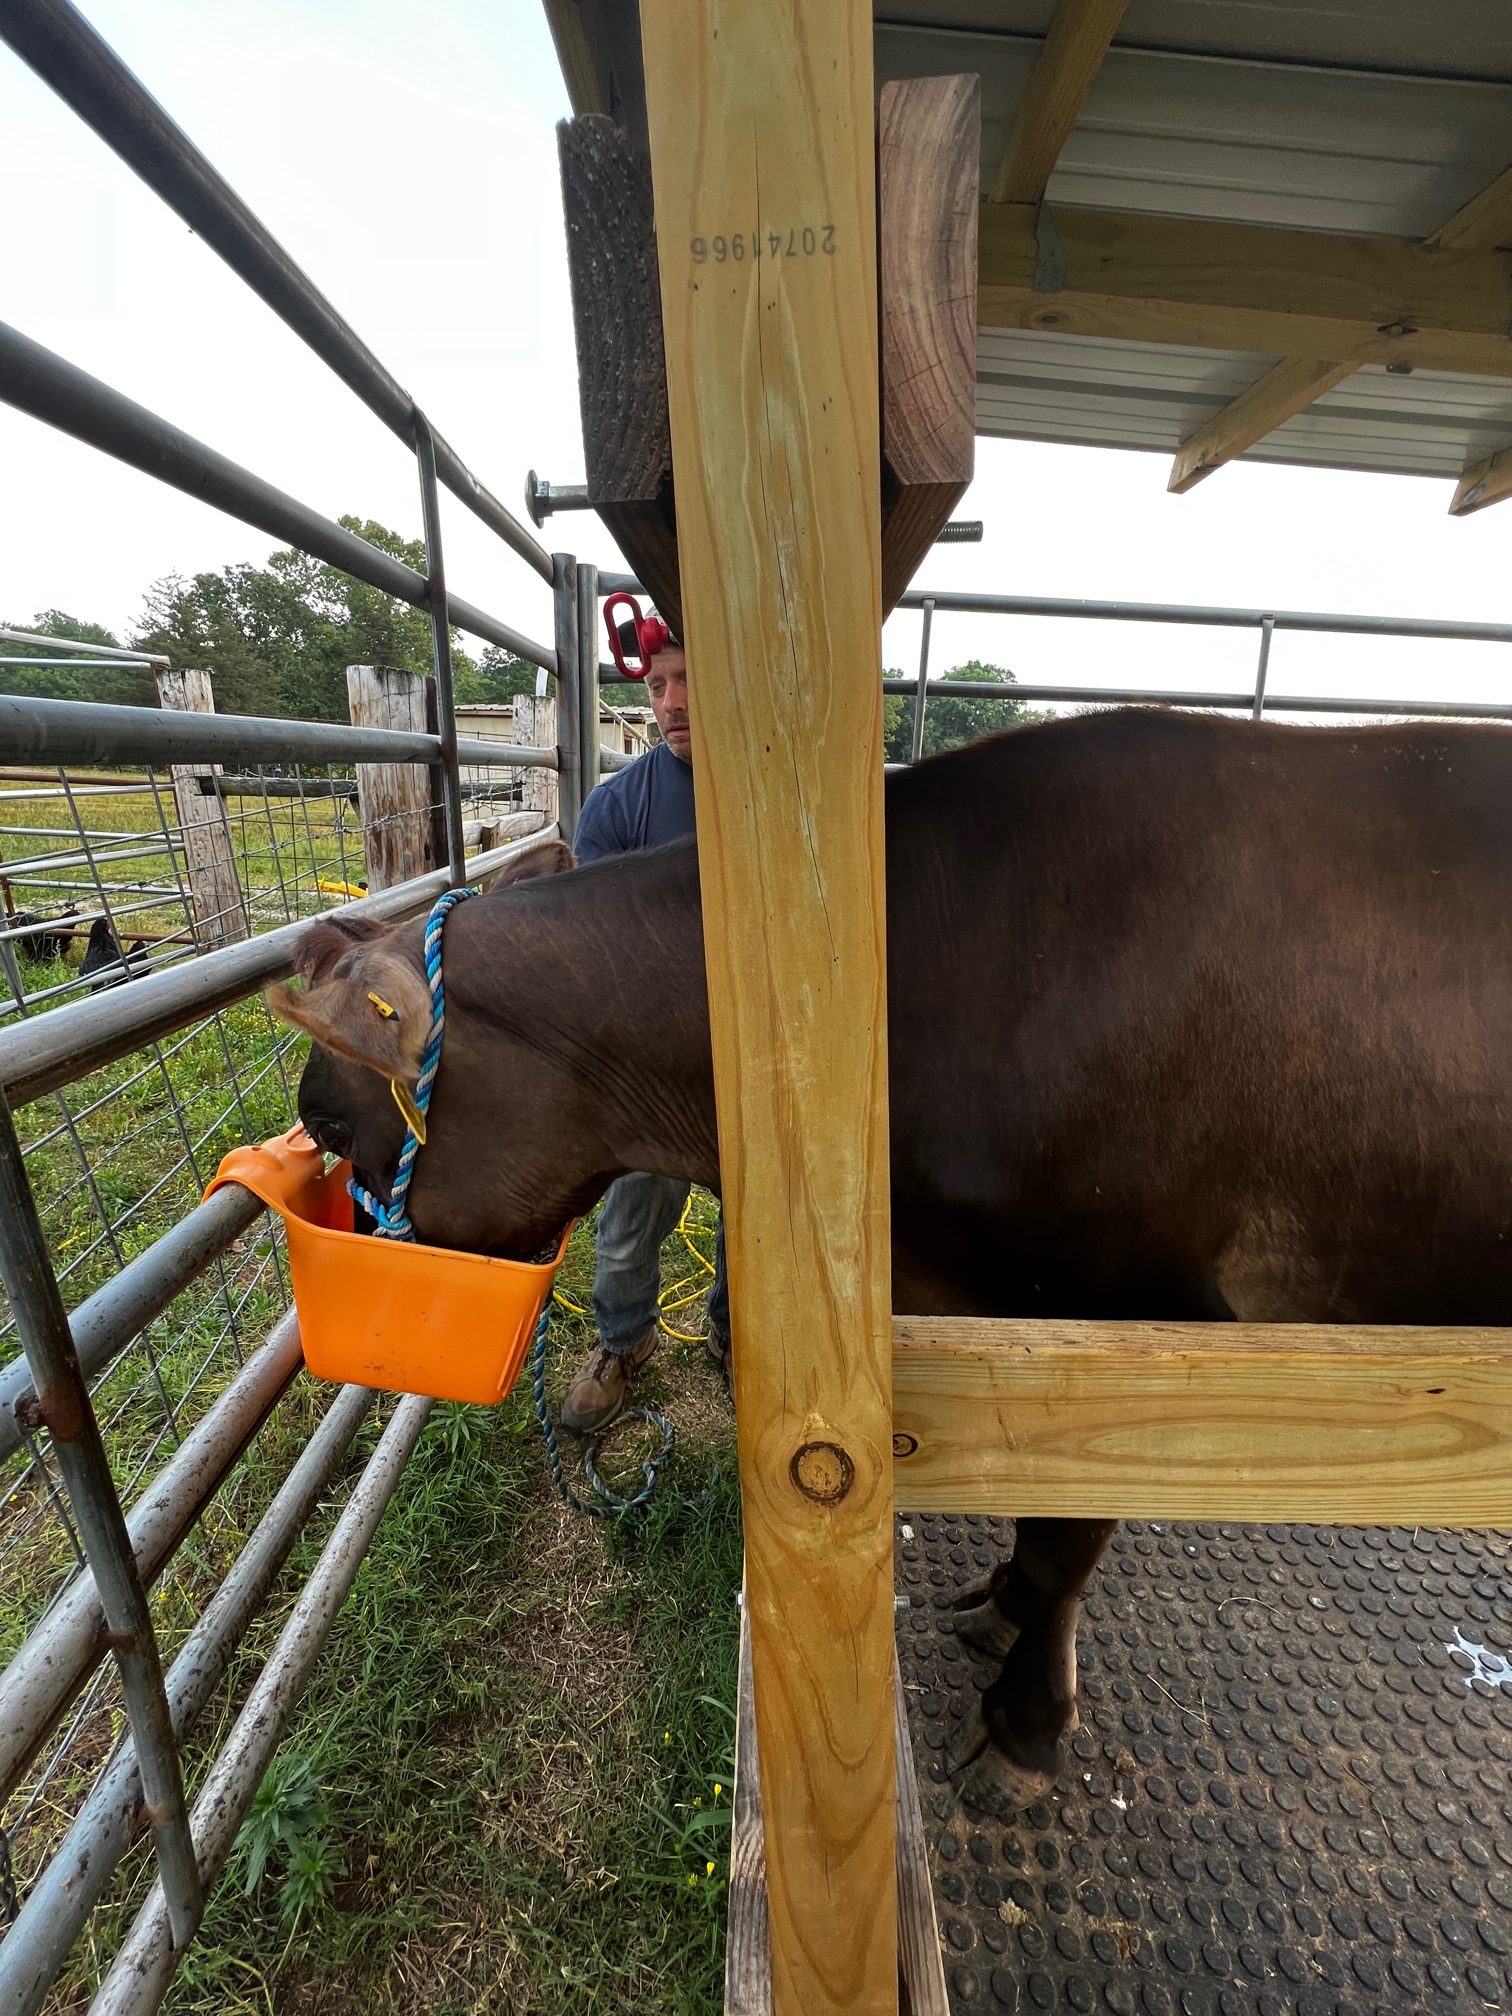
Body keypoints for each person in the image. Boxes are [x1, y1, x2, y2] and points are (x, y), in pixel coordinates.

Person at [560, 611, 730, 1434]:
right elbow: (599, 953)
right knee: (631, 1209)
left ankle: (741, 1337)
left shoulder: (772, 788)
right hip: (653, 1057)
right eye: (658, 685)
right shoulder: (618, 807)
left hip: (752, 1046)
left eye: (689, 678)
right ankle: (623, 1340)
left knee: (762, 1216)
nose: (671, 702)